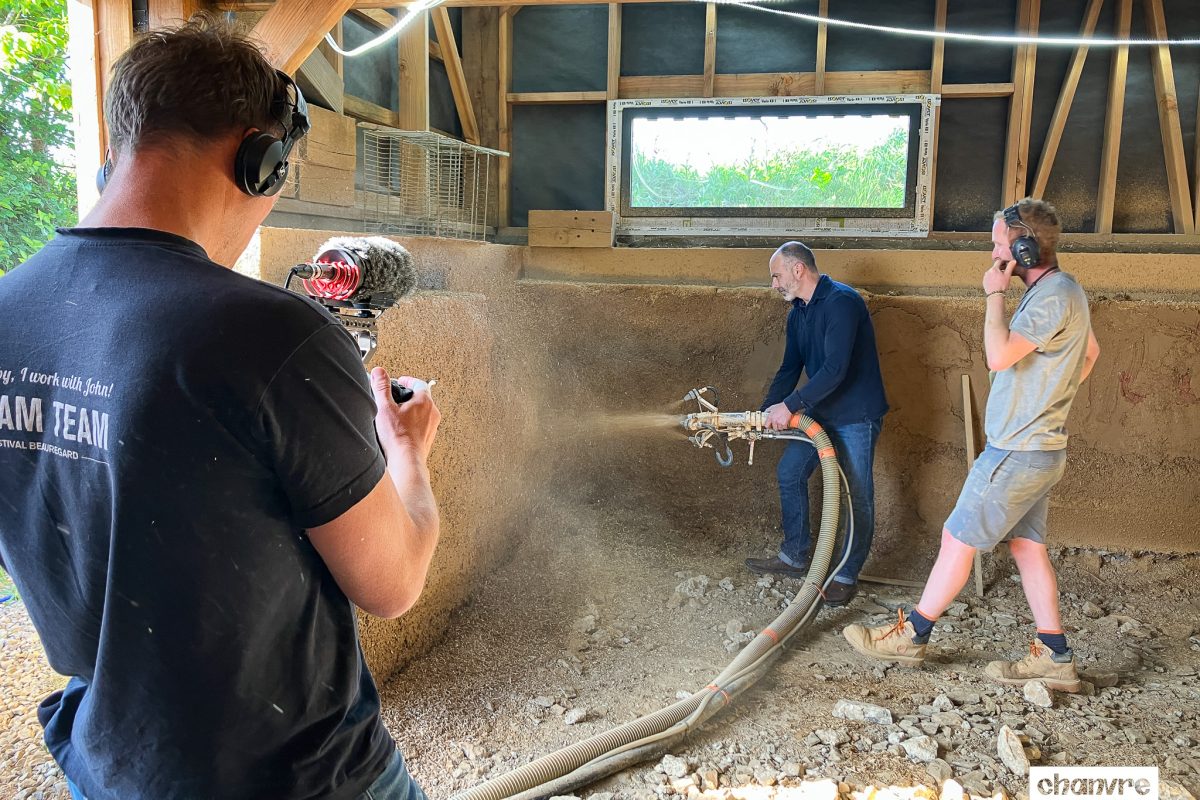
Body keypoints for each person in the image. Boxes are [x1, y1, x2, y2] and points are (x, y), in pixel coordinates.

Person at [0, 17, 439, 800]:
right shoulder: (268, 335)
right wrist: (407, 453)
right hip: (296, 780)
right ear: (259, 159)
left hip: (113, 765)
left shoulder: (6, 310)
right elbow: (393, 583)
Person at [843, 198, 1101, 691]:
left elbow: (999, 355)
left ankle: (912, 635)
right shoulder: (1065, 289)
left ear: (1023, 249)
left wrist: (993, 296)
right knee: (1027, 548)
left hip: (1016, 452)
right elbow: (1089, 352)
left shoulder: (1049, 297)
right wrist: (1050, 397)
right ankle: (1056, 656)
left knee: (956, 539)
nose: (992, 248)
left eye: (999, 241)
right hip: (1040, 448)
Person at [744, 241, 889, 607]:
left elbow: (835, 369)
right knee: (790, 472)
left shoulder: (843, 302)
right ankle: (794, 556)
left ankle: (844, 575)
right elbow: (790, 367)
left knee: (858, 496)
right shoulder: (798, 313)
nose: (774, 284)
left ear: (797, 270)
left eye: (776, 276)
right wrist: (767, 411)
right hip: (819, 412)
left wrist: (790, 406)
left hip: (857, 414)